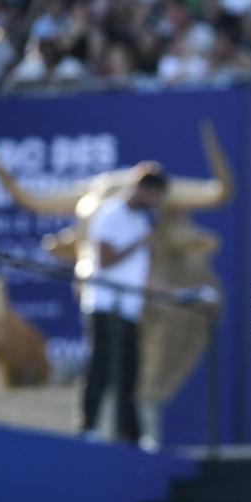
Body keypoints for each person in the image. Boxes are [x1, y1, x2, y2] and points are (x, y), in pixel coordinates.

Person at [80, 166, 168, 445]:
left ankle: (131, 436)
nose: (156, 203)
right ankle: (88, 427)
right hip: (105, 304)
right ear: (143, 190)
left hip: (130, 307)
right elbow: (105, 261)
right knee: (101, 366)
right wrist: (138, 242)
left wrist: (176, 294)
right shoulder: (109, 213)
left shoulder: (143, 221)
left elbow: (142, 271)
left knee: (130, 372)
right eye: (154, 195)